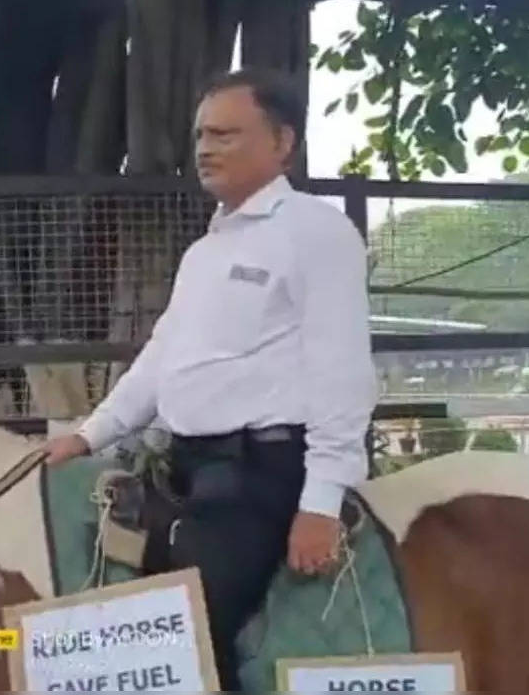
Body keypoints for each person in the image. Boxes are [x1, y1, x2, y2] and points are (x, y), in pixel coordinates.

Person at [43, 68, 378, 690]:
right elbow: (163, 356)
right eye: (201, 134)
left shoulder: (317, 232)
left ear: (282, 143)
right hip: (185, 468)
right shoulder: (207, 251)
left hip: (263, 477)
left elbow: (343, 371)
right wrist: (88, 436)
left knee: (181, 633)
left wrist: (322, 500)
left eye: (226, 134)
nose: (205, 148)